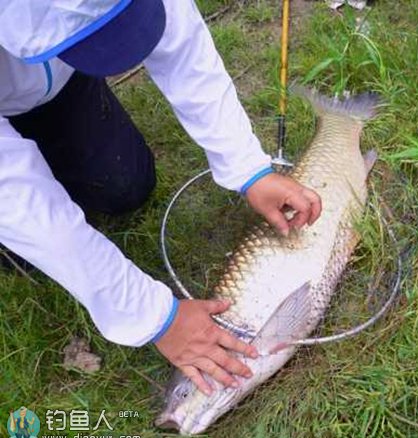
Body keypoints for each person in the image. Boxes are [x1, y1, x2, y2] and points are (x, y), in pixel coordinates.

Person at [0, 0, 322, 396]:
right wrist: (155, 318)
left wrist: (247, 168)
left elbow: (181, 43)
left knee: (125, 185)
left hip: (61, 83)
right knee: (26, 243)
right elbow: (19, 202)